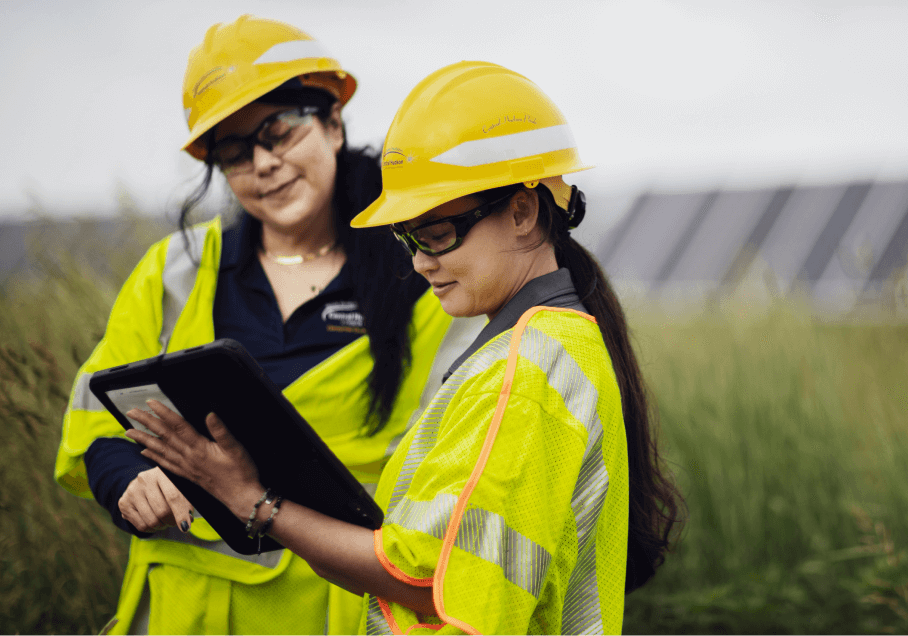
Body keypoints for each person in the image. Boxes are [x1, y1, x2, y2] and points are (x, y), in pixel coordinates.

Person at [125, 60, 685, 635]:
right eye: (408, 237)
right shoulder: (551, 347)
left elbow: (424, 577)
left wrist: (252, 502)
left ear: (522, 210)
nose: (419, 261)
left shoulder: (526, 373)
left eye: (438, 232)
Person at [54, 16, 482, 636]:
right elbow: (95, 426)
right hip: (186, 610)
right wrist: (127, 481)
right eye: (234, 152)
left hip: (339, 602)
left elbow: (459, 454)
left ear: (332, 124)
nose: (263, 164)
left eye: (278, 134)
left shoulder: (420, 273)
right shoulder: (176, 272)